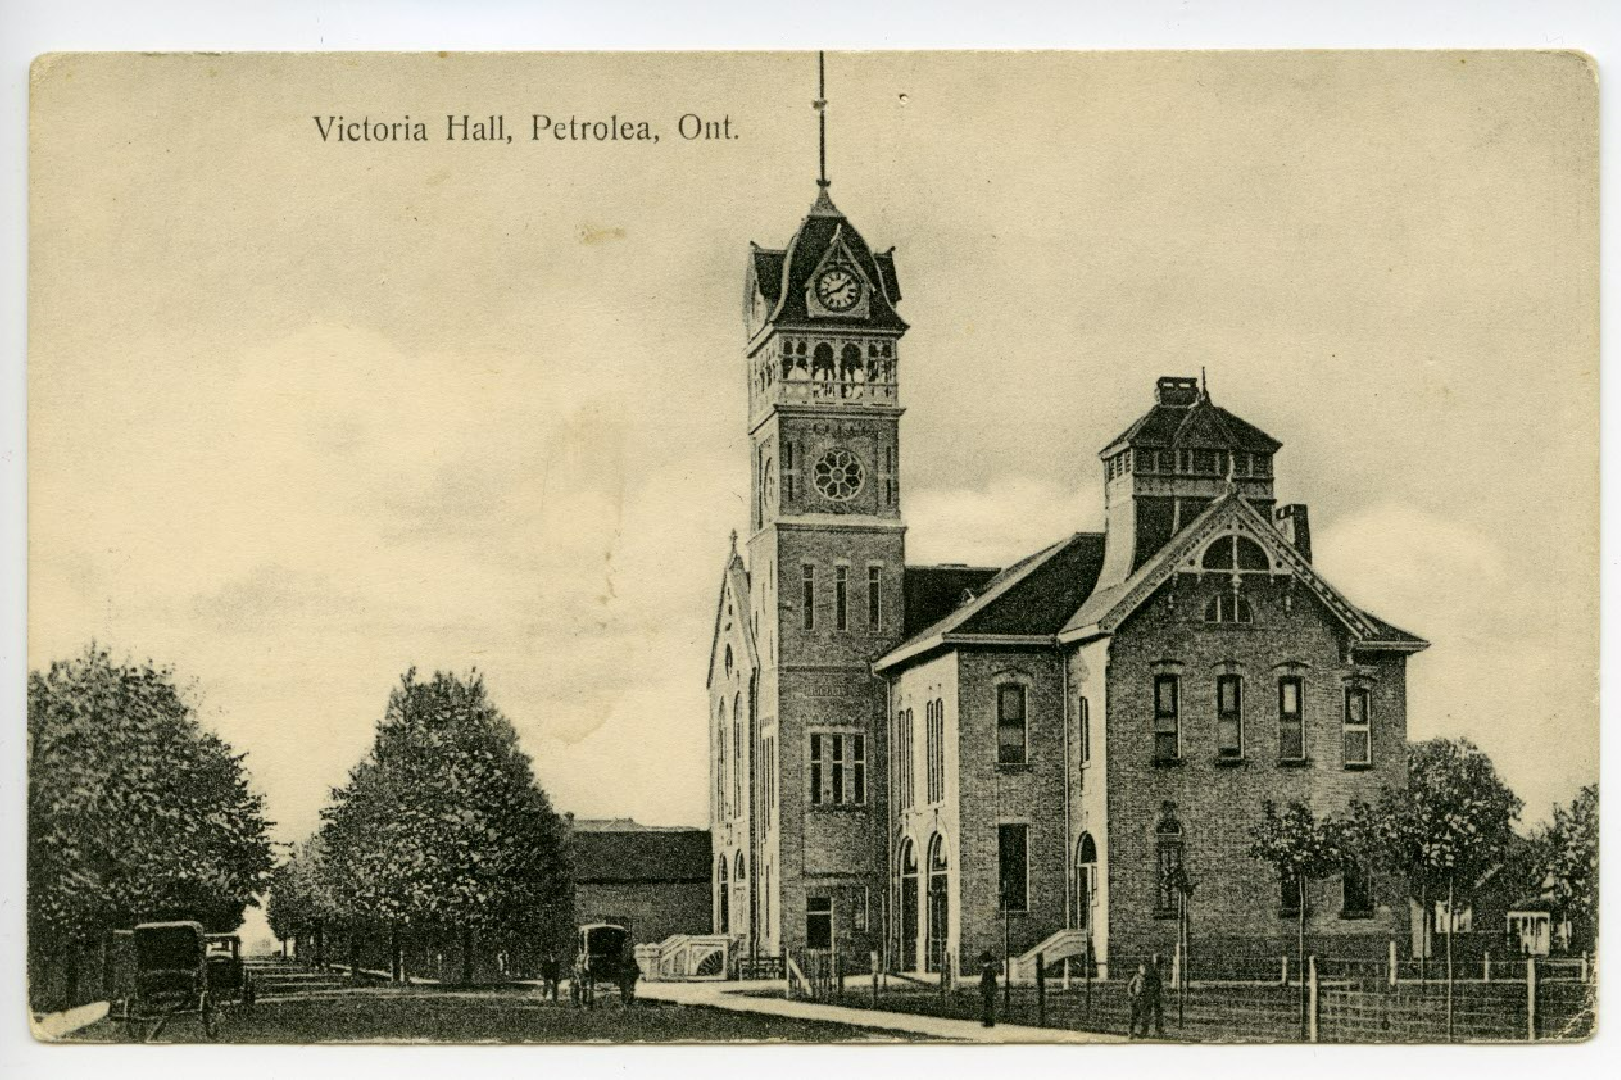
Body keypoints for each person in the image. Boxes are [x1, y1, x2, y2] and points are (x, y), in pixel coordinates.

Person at [1142, 953, 1165, 1037]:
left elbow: (1159, 982)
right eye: (1156, 958)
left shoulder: (1160, 968)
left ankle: (1158, 1030)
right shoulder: (1150, 968)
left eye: (1158, 959)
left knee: (1158, 1012)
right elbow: (1146, 979)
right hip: (1149, 993)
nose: (1157, 960)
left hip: (1156, 993)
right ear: (1153, 959)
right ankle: (1145, 1030)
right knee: (1147, 1011)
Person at [978, 949, 998, 1028]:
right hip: (989, 990)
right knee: (989, 1006)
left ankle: (988, 1021)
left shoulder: (987, 970)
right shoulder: (991, 970)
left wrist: (982, 988)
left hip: (987, 990)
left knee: (987, 1006)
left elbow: (985, 981)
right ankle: (989, 1021)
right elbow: (994, 981)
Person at [1126, 963, 1146, 1037]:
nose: (1144, 970)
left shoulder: (1148, 978)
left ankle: (1142, 1033)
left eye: (1145, 968)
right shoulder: (1136, 977)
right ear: (1140, 969)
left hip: (1144, 1000)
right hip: (1136, 998)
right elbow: (1129, 986)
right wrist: (1131, 994)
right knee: (1133, 1016)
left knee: (1143, 1017)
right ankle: (1131, 1032)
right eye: (1142, 968)